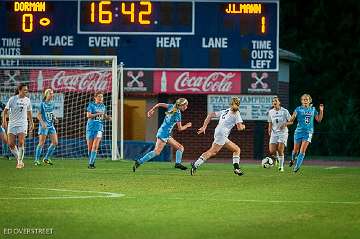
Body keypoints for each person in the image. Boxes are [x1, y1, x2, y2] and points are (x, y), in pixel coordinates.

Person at [190, 97, 246, 176]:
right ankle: (195, 164)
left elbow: (210, 115)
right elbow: (240, 128)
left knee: (236, 149)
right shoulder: (237, 113)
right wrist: (243, 126)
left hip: (218, 132)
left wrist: (204, 127)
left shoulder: (227, 110)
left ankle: (236, 168)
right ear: (239, 104)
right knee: (212, 152)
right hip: (222, 134)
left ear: (230, 104)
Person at [133, 98, 191, 172]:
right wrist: (187, 125)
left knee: (180, 148)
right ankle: (139, 162)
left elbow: (159, 104)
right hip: (164, 134)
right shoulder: (177, 114)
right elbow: (180, 128)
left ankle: (177, 164)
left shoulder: (171, 106)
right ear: (181, 105)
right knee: (156, 152)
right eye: (185, 105)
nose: (186, 107)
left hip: (165, 133)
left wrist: (152, 109)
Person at [289, 94, 324, 172]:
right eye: (303, 99)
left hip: (308, 132)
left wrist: (321, 110)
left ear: (309, 101)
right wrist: (292, 117)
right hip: (298, 132)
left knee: (302, 150)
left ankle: (296, 167)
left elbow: (319, 120)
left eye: (306, 99)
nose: (305, 101)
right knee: (295, 150)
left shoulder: (313, 109)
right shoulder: (298, 109)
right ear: (301, 101)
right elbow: (291, 120)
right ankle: (292, 159)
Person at [2, 84, 34, 169]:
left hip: (23, 123)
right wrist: (4, 121)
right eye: (24, 90)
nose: (26, 92)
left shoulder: (27, 100)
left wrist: (31, 122)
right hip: (12, 123)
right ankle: (19, 160)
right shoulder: (12, 99)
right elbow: (5, 111)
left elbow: (29, 112)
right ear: (19, 90)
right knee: (11, 144)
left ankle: (19, 162)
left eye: (26, 90)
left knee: (21, 142)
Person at [267, 96, 292, 172]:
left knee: (280, 150)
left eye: (276, 101)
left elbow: (291, 121)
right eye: (273, 101)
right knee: (272, 151)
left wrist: (285, 124)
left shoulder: (284, 111)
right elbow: (270, 122)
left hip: (283, 133)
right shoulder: (270, 112)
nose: (274, 102)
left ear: (279, 102)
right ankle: (277, 158)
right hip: (274, 133)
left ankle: (281, 167)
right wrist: (269, 129)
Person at [86, 92, 111, 169]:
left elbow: (104, 116)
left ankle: (91, 164)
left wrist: (108, 118)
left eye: (102, 97)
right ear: (95, 97)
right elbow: (88, 115)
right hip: (90, 128)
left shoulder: (103, 106)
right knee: (90, 148)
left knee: (95, 146)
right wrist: (98, 114)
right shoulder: (91, 105)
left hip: (99, 128)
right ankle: (90, 161)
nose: (101, 98)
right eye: (99, 96)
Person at [34, 89, 58, 166]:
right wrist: (42, 123)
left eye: (52, 93)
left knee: (55, 142)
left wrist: (54, 117)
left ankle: (46, 158)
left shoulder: (52, 103)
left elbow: (50, 112)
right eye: (50, 93)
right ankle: (36, 160)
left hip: (51, 125)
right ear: (46, 95)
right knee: (41, 143)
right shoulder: (42, 104)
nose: (52, 95)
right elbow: (38, 115)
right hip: (43, 126)